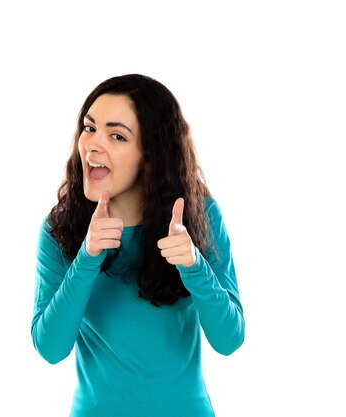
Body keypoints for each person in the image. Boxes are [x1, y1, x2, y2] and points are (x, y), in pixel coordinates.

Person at [31, 74, 245, 417]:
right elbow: (51, 348)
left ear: (150, 154)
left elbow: (229, 339)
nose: (92, 145)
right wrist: (87, 258)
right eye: (89, 128)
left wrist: (193, 266)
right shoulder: (61, 229)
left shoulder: (200, 216)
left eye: (116, 135)